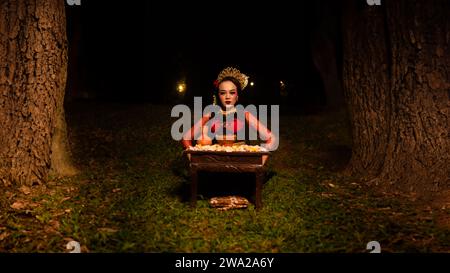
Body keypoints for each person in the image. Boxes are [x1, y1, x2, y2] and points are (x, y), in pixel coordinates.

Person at [181, 67, 276, 160]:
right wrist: (192, 159)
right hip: (214, 163)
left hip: (241, 164)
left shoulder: (244, 114)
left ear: (237, 95)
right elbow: (186, 138)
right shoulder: (211, 114)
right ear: (218, 95)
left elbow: (272, 138)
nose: (227, 97)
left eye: (232, 92)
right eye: (223, 93)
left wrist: (261, 161)